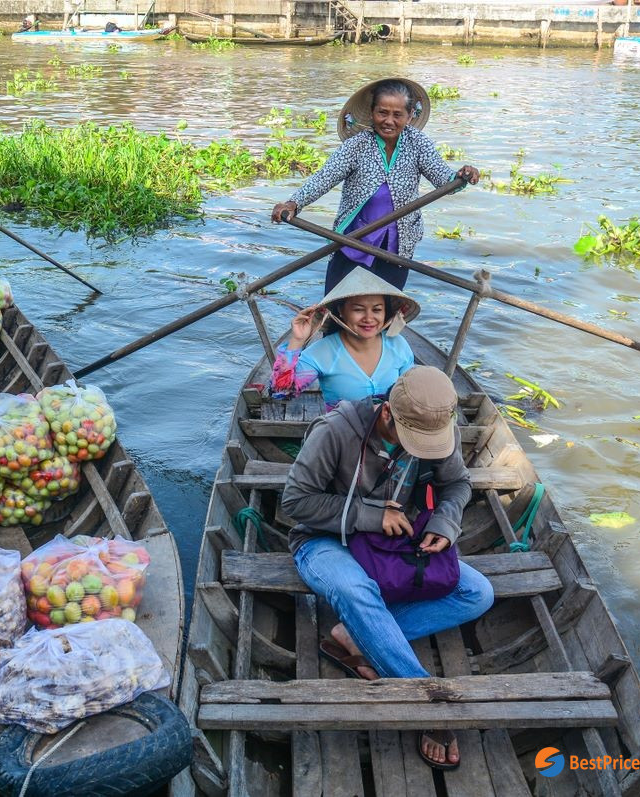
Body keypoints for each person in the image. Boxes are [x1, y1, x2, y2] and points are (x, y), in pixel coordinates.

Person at [281, 366, 494, 770]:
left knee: (478, 592)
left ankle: (356, 634)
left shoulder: (438, 427)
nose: (425, 449)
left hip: (395, 541)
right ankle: (424, 700)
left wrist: (444, 524)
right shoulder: (335, 431)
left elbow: (458, 485)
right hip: (325, 541)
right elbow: (294, 502)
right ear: (385, 416)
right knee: (355, 590)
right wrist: (368, 515)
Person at [271, 77, 480, 293]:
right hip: (355, 240)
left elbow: (444, 179)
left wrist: (462, 176)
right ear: (372, 113)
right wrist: (294, 203)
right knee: (338, 308)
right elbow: (325, 177)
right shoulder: (358, 145)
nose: (389, 121)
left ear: (409, 116)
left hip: (398, 244)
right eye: (382, 112)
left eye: (397, 115)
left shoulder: (418, 142)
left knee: (383, 312)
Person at [271, 266, 418, 411]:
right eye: (358, 309)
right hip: (341, 433)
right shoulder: (321, 352)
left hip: (392, 433)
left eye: (377, 310)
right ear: (341, 311)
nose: (369, 318)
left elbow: (412, 393)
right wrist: (297, 340)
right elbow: (281, 394)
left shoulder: (398, 344)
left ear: (385, 312)